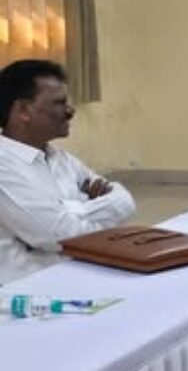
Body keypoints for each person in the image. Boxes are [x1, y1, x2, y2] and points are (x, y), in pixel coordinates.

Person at [0, 60, 136, 284]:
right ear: (23, 110)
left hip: (81, 272)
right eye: (59, 103)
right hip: (26, 289)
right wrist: (84, 208)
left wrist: (66, 212)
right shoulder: (4, 165)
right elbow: (55, 236)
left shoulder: (60, 158)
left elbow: (125, 202)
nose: (70, 110)